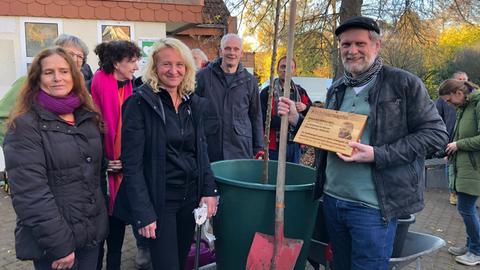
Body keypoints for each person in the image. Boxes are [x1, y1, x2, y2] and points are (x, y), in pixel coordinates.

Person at [278, 16, 448, 270]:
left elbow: (436, 135)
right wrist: (297, 120)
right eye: (346, 45)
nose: (352, 50)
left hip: (373, 207)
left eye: (360, 43)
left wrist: (377, 154)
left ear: (376, 46)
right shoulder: (338, 87)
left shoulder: (403, 83)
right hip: (333, 200)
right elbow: (330, 135)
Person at [113, 37, 219, 270]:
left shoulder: (192, 104)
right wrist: (143, 212)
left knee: (181, 263)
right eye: (166, 64)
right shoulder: (139, 103)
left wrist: (209, 191)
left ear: (188, 68)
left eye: (179, 64)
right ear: (154, 67)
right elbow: (132, 164)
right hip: (159, 201)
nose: (173, 70)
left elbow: (201, 153)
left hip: (189, 199)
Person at [3, 47, 108, 270]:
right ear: (37, 79)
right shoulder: (24, 125)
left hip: (90, 235)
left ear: (74, 76)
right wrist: (60, 245)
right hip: (55, 244)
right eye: (49, 72)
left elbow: (93, 176)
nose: (58, 78)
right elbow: (30, 194)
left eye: (64, 71)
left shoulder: (87, 118)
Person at [90, 40, 149, 270]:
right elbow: (85, 136)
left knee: (116, 240)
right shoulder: (92, 88)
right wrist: (105, 163)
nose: (136, 67)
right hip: (99, 177)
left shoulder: (132, 88)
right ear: (116, 63)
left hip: (124, 173)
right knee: (96, 243)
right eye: (132, 61)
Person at [0, 34, 90, 145]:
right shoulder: (27, 82)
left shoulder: (80, 87)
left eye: (80, 56)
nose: (75, 60)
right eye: (70, 54)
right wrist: (15, 143)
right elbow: (2, 116)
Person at [195, 33, 263, 162]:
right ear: (221, 51)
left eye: (236, 49)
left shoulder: (250, 81)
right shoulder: (203, 77)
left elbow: (256, 116)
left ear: (241, 53)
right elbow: (193, 111)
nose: (232, 52)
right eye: (227, 48)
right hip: (210, 146)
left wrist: (259, 148)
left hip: (240, 147)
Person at [439, 79, 480, 266]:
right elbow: (463, 133)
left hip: (474, 168)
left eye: (449, 100)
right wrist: (452, 150)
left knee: (466, 208)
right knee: (466, 208)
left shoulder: (477, 105)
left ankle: (477, 251)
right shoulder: (465, 107)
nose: (448, 104)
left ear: (458, 92)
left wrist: (459, 145)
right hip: (464, 166)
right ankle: (470, 245)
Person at [260, 56, 312, 163]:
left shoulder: (301, 92)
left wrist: (305, 107)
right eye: (283, 66)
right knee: (272, 177)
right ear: (277, 69)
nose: (286, 70)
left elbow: (312, 115)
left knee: (292, 177)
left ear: (294, 71)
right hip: (273, 146)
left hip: (294, 145)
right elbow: (261, 118)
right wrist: (285, 121)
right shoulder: (267, 93)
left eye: (290, 67)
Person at [442, 71, 469, 205]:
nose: (462, 82)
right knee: (451, 167)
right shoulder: (448, 102)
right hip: (451, 139)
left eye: (464, 80)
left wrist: (459, 143)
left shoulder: (470, 104)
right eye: (459, 79)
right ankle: (453, 192)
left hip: (463, 144)